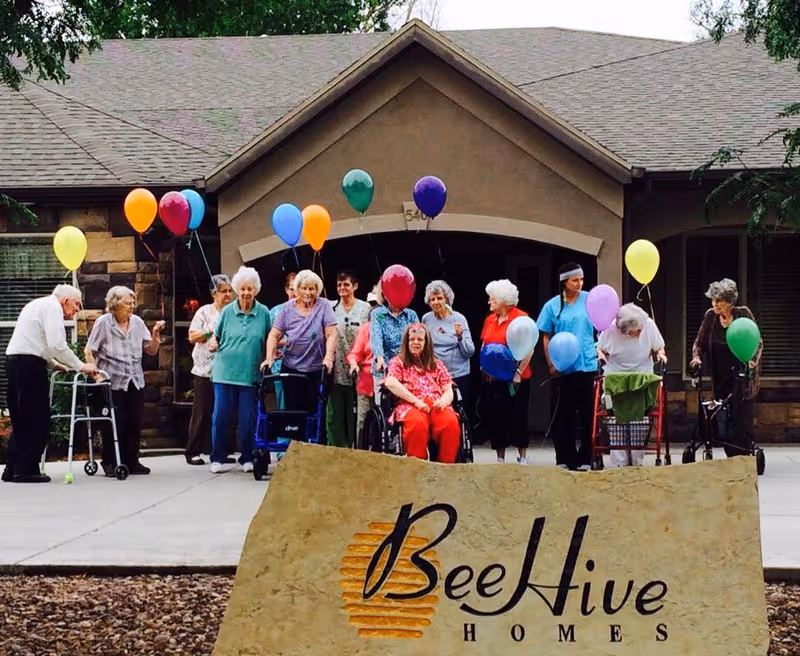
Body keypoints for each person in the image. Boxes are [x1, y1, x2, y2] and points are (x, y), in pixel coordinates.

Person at [2, 285, 96, 484]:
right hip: (28, 365)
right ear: (65, 301)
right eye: (77, 304)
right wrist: (80, 366)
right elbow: (57, 344)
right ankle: (26, 470)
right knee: (37, 417)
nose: (77, 309)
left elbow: (39, 341)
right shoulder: (53, 308)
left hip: (15, 361)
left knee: (21, 417)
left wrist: (53, 364)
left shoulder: (37, 305)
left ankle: (13, 469)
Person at [85, 286, 165, 476]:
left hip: (134, 380)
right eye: (128, 303)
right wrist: (96, 375)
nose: (132, 307)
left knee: (134, 421)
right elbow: (90, 350)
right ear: (115, 305)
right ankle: (110, 462)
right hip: (112, 381)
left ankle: (131, 460)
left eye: (132, 303)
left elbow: (151, 350)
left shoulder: (137, 322)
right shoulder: (103, 323)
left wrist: (154, 334)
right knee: (114, 423)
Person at [690, 278, 762, 458]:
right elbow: (699, 343)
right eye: (713, 300)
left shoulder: (743, 314)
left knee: (741, 419)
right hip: (721, 376)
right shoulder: (710, 317)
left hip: (743, 376)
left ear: (729, 301)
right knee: (724, 418)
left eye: (719, 301)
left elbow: (757, 341)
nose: (714, 304)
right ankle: (731, 456)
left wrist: (752, 360)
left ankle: (743, 457)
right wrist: (696, 358)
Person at [209, 266, 271, 474]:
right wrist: (212, 343)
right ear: (237, 289)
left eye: (250, 289)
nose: (246, 293)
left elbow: (272, 337)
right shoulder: (227, 312)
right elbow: (216, 336)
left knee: (247, 418)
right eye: (242, 289)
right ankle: (217, 457)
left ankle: (247, 457)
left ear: (256, 290)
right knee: (221, 417)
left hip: (250, 374)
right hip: (225, 372)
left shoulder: (263, 313)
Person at [537, 263, 598, 471]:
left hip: (587, 364)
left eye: (581, 279)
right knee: (564, 414)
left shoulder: (591, 300)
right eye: (575, 280)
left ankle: (586, 458)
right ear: (564, 282)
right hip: (563, 367)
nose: (579, 283)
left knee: (588, 413)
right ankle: (565, 456)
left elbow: (603, 325)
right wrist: (551, 363)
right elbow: (546, 336)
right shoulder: (552, 306)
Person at [597, 303, 667, 467]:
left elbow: (659, 347)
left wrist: (661, 355)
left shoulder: (647, 324)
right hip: (615, 377)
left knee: (639, 420)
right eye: (637, 330)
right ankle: (619, 463)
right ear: (625, 330)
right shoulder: (611, 328)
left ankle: (637, 461)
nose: (641, 331)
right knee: (615, 419)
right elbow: (600, 349)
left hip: (641, 376)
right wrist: (601, 356)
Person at [264, 270, 337, 418]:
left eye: (312, 288)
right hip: (292, 367)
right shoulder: (287, 308)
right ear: (297, 289)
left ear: (317, 290)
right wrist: (269, 357)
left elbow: (331, 334)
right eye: (304, 288)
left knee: (316, 414)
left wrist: (329, 357)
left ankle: (314, 441)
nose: (308, 292)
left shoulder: (324, 306)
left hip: (317, 369)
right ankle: (295, 441)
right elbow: (274, 335)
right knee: (294, 413)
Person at [384, 324, 461, 463]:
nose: (415, 343)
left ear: (426, 343)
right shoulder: (398, 362)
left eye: (420, 340)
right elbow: (390, 382)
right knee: (417, 424)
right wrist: (416, 401)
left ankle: (447, 466)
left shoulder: (436, 364)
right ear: (406, 342)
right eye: (412, 339)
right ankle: (417, 466)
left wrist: (443, 402)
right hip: (410, 404)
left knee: (450, 422)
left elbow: (449, 389)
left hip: (436, 404)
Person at [479, 280, 533, 465]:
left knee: (518, 416)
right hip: (494, 378)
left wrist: (518, 372)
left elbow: (529, 348)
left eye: (492, 299)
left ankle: (522, 456)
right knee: (497, 417)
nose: (489, 303)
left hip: (516, 378)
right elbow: (484, 344)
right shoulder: (489, 320)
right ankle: (500, 457)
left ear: (504, 301)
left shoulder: (521, 318)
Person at [185, 274, 234, 466]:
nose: (228, 295)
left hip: (227, 370)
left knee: (223, 412)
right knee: (202, 412)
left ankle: (220, 450)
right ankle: (193, 450)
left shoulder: (233, 312)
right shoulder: (204, 312)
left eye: (230, 291)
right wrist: (210, 332)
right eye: (224, 291)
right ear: (214, 293)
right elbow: (192, 336)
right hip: (205, 370)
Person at [326, 271, 370, 447]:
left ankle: (358, 443)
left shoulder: (366, 309)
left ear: (355, 286)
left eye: (346, 284)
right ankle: (338, 445)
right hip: (338, 365)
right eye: (339, 285)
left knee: (358, 410)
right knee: (338, 409)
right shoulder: (332, 309)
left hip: (360, 364)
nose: (342, 288)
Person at [422, 280, 475, 404]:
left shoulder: (459, 318)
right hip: (435, 375)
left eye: (439, 298)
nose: (435, 302)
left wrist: (460, 337)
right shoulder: (426, 319)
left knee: (458, 411)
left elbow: (470, 352)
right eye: (432, 299)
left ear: (447, 300)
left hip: (458, 374)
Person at [370, 286, 419, 398]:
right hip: (384, 367)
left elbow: (419, 338)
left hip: (407, 367)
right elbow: (376, 337)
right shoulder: (377, 314)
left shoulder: (411, 314)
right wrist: (379, 357)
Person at [347, 288, 381, 439]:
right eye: (372, 305)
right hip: (366, 382)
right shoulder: (366, 328)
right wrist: (353, 363)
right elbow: (355, 353)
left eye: (377, 305)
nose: (374, 309)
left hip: (386, 383)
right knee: (362, 421)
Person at [269, 272, 297, 410]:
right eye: (292, 289)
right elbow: (267, 338)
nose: (295, 293)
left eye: (298, 288)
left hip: (303, 365)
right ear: (286, 289)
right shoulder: (275, 311)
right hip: (280, 365)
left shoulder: (309, 311)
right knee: (283, 404)